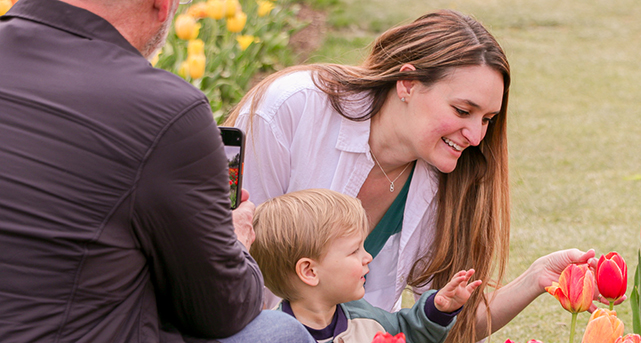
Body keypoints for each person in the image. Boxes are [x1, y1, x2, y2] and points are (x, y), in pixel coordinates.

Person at [224, 9, 608, 342]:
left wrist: (535, 277)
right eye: (462, 111)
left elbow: (439, 324)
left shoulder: (453, 178)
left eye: (487, 119)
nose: (476, 137)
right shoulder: (289, 110)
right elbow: (226, 263)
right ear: (407, 82)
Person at [0, 0, 311, 342]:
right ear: (163, 6)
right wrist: (235, 241)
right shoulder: (164, 109)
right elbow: (222, 310)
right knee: (280, 331)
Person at [250, 188, 483, 343]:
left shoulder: (364, 317)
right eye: (354, 251)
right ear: (310, 271)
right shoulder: (275, 336)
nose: (368, 256)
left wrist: (437, 310)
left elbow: (407, 331)